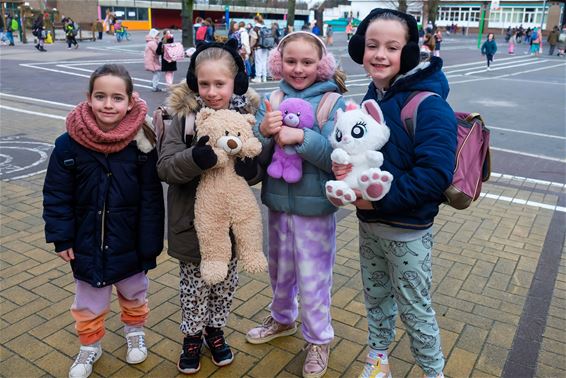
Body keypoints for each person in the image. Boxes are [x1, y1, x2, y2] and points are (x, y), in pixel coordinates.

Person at [340, 8, 457, 378]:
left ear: (407, 54)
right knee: (376, 300)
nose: (379, 54)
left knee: (415, 309)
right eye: (372, 45)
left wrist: (376, 200)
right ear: (360, 48)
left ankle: (433, 372)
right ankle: (378, 359)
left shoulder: (429, 104)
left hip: (408, 233)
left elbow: (434, 176)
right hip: (370, 227)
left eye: (392, 47)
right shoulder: (373, 95)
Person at [43, 64, 165, 378]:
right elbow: (56, 195)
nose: (108, 104)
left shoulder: (142, 144)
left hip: (130, 242)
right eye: (100, 96)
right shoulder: (69, 144)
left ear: (129, 101)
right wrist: (62, 237)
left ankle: (134, 331)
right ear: (88, 98)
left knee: (135, 293)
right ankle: (89, 346)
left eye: (116, 97)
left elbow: (151, 198)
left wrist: (150, 243)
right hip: (87, 242)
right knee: (88, 300)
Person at [245, 31, 347, 378]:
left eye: (307, 62)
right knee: (280, 269)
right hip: (276, 203)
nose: (298, 69)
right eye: (291, 61)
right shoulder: (271, 97)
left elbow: (339, 158)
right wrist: (263, 130)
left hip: (316, 209)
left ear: (322, 64)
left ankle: (319, 339)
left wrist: (302, 137)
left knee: (314, 276)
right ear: (279, 62)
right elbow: (257, 153)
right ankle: (283, 318)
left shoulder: (334, 103)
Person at [157, 39, 261, 375]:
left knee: (225, 287)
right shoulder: (184, 120)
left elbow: (256, 164)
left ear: (235, 83)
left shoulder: (245, 118)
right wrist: (195, 158)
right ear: (194, 83)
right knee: (193, 289)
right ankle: (191, 336)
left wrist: (251, 169)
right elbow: (166, 167)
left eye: (220, 83)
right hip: (191, 227)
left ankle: (215, 332)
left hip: (231, 226)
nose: (213, 91)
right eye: (205, 84)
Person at [251, 15, 270, 83]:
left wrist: (251, 46)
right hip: (265, 47)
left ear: (255, 20)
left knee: (258, 62)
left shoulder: (255, 28)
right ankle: (264, 78)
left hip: (258, 47)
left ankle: (258, 77)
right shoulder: (265, 27)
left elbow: (254, 39)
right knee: (264, 62)